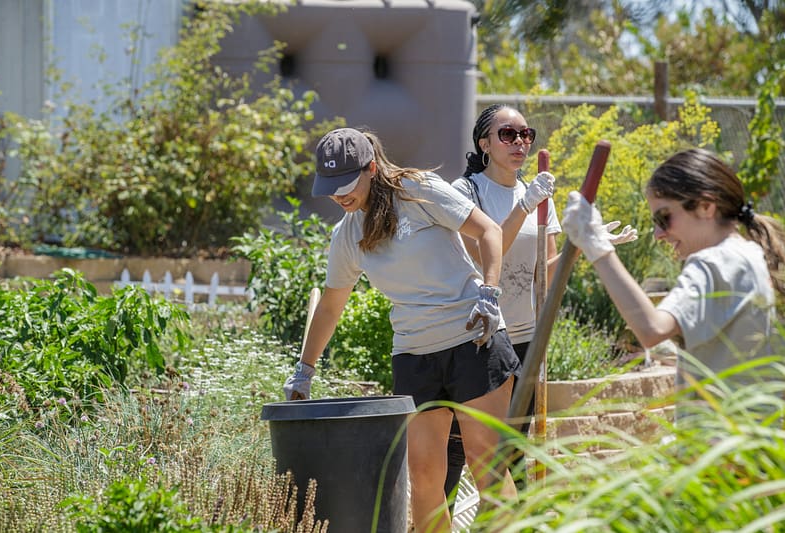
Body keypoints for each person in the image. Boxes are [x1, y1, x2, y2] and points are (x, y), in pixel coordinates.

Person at [283, 127, 520, 532]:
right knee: (424, 477)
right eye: (330, 187)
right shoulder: (348, 234)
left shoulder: (418, 190)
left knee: (488, 468)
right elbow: (330, 306)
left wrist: (490, 294)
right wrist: (304, 370)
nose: (339, 195)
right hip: (414, 356)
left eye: (346, 184)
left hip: (473, 340)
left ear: (372, 168)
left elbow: (488, 231)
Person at [445, 103, 638, 501]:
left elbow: (543, 273)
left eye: (526, 134)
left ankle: (511, 525)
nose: (520, 142)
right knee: (460, 446)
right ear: (484, 143)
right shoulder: (467, 192)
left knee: (515, 445)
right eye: (508, 134)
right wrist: (524, 206)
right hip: (478, 335)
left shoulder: (537, 195)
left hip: (525, 337)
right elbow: (483, 255)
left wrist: (585, 244)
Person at [562, 147, 785, 421]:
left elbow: (652, 329)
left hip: (720, 451)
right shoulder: (751, 254)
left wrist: (595, 245)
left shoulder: (712, 262)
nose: (658, 234)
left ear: (706, 206)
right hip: (754, 440)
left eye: (664, 217)